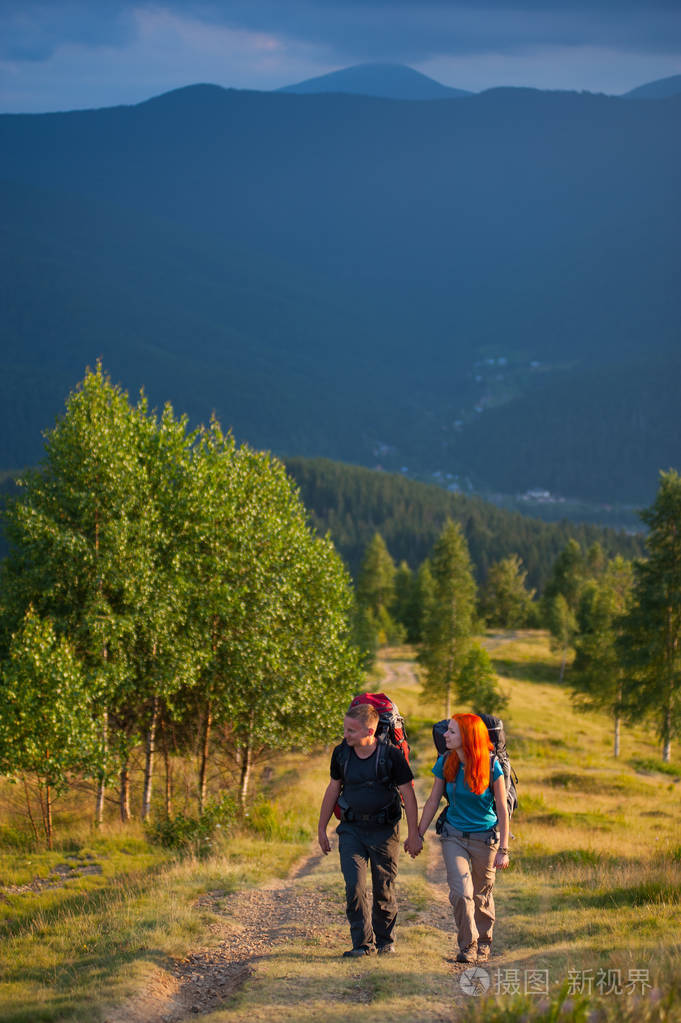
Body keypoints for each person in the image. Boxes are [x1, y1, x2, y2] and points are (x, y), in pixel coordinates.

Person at [318, 702, 423, 957]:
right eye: (345, 729)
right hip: (351, 830)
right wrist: (322, 828)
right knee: (353, 887)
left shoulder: (391, 757)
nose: (346, 735)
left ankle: (385, 942)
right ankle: (361, 945)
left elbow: (408, 794)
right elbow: (333, 789)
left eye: (351, 730)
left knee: (383, 888)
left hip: (384, 832)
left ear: (369, 731)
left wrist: (414, 834)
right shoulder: (341, 754)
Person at [417, 713, 510, 964]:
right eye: (447, 730)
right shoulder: (446, 762)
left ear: (467, 737)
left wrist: (504, 848)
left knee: (481, 895)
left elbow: (502, 809)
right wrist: (417, 834)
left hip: (485, 837)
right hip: (454, 835)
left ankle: (484, 943)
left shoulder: (492, 766)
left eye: (452, 732)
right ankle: (467, 945)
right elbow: (433, 801)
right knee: (461, 892)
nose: (445, 735)